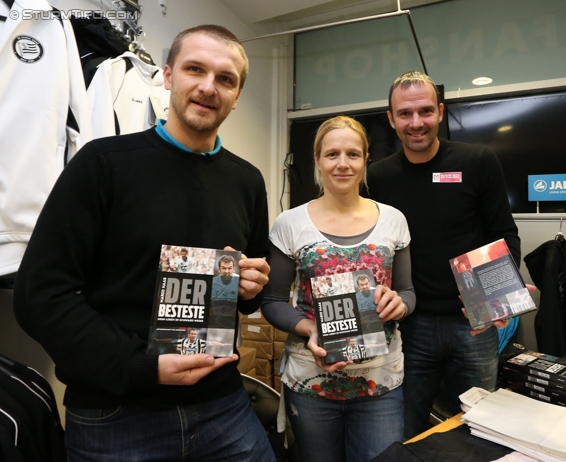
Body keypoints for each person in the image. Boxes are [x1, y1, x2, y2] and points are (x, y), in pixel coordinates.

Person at [13, 25, 275, 462]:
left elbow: (249, 295)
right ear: (168, 76)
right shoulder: (102, 165)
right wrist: (141, 366)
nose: (209, 87)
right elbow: (39, 296)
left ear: (237, 94)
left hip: (223, 405)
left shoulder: (247, 181)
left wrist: (253, 285)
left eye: (225, 79)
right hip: (117, 413)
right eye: (195, 69)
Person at [367, 71, 521, 438]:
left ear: (440, 111)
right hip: (410, 325)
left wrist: (501, 299)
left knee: (476, 428)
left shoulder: (478, 161)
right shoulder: (378, 176)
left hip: (473, 324)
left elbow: (504, 234)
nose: (416, 123)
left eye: (425, 112)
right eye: (405, 114)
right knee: (407, 431)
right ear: (391, 119)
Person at [261, 115, 416, 462]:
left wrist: (399, 304)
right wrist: (310, 329)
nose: (343, 164)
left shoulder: (394, 220)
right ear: (317, 159)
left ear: (366, 159)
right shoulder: (290, 223)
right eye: (332, 154)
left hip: (380, 381)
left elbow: (408, 293)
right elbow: (271, 301)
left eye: (353, 154)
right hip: (311, 381)